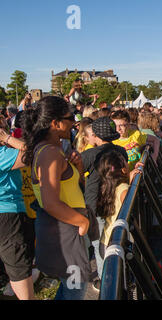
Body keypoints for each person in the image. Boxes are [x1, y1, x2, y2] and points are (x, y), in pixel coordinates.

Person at [22, 96, 94, 300]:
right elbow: (51, 202)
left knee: (71, 289)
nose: (74, 122)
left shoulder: (53, 150)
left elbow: (71, 188)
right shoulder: (50, 153)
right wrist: (82, 221)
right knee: (75, 289)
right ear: (55, 123)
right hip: (65, 230)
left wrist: (78, 168)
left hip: (65, 228)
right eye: (70, 117)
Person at [81, 116, 128, 280]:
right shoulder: (120, 151)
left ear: (97, 135)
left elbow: (73, 172)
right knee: (114, 242)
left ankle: (105, 282)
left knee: (99, 246)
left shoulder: (90, 154)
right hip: (115, 202)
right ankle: (118, 279)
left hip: (95, 204)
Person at [0, 128, 35, 300]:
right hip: (9, 215)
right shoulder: (2, 154)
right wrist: (7, 138)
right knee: (19, 270)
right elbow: (33, 154)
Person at [96, 150, 141, 259]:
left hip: (105, 241)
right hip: (117, 244)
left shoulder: (106, 187)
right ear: (124, 170)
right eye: (126, 162)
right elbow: (130, 207)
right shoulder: (124, 189)